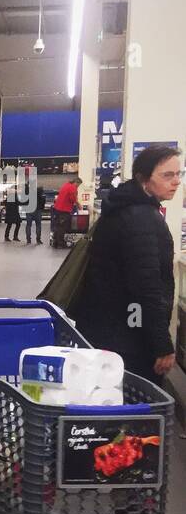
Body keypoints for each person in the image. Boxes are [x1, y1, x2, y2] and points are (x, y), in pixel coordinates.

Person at [70, 145, 181, 382]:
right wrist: (162, 344)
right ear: (144, 179)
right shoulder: (141, 219)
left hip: (107, 329)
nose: (176, 182)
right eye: (167, 175)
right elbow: (147, 287)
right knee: (137, 407)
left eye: (178, 174)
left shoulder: (122, 208)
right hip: (128, 339)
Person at [51, 175, 79, 247]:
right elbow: (72, 198)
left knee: (57, 225)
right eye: (78, 185)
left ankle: (55, 242)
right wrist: (78, 204)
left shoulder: (66, 185)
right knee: (62, 227)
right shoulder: (72, 187)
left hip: (58, 208)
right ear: (76, 182)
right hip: (64, 209)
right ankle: (61, 243)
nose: (78, 186)